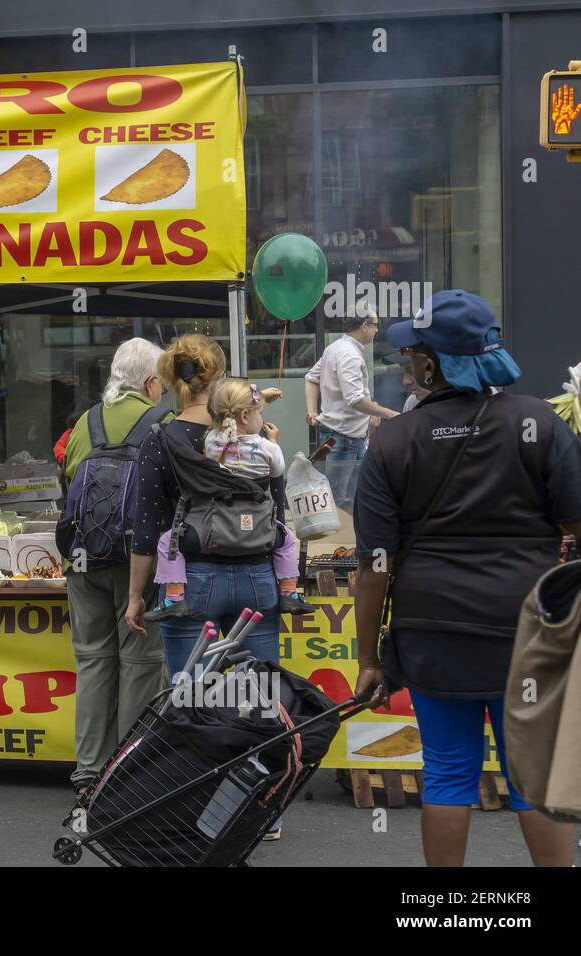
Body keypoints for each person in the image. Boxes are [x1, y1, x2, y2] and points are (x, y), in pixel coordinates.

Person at [352, 290, 581, 867]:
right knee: (533, 779)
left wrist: (368, 660)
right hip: (526, 635)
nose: (404, 363)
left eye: (411, 354)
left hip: (433, 632)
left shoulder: (392, 441)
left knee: (448, 773)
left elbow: (373, 567)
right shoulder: (540, 424)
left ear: (433, 363)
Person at [125, 335, 292, 840]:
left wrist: (137, 595)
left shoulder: (162, 438)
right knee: (258, 695)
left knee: (194, 696)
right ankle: (263, 808)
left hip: (190, 580)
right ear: (218, 375)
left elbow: (148, 522)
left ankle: (201, 806)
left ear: (172, 379)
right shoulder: (257, 434)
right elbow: (279, 510)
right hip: (259, 577)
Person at [62, 338, 170, 796]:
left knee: (92, 662)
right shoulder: (163, 422)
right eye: (162, 382)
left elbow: (69, 478)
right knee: (141, 662)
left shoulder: (85, 422)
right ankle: (130, 772)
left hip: (84, 560)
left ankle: (89, 773)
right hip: (138, 563)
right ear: (150, 383)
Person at [145, 379, 315, 621]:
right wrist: (273, 440)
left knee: (167, 541)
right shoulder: (268, 448)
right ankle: (289, 592)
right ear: (245, 415)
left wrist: (252, 401)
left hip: (213, 529)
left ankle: (174, 597)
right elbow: (277, 472)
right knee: (287, 539)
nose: (261, 418)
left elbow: (227, 415)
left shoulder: (212, 442)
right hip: (259, 531)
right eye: (260, 412)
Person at [304, 311, 398, 508]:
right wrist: (389, 414)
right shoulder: (349, 355)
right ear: (364, 326)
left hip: (344, 435)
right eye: (375, 324)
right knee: (340, 501)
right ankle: (341, 539)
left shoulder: (335, 348)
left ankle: (347, 537)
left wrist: (312, 410)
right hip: (344, 438)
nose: (377, 329)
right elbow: (354, 399)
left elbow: (311, 378)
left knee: (354, 497)